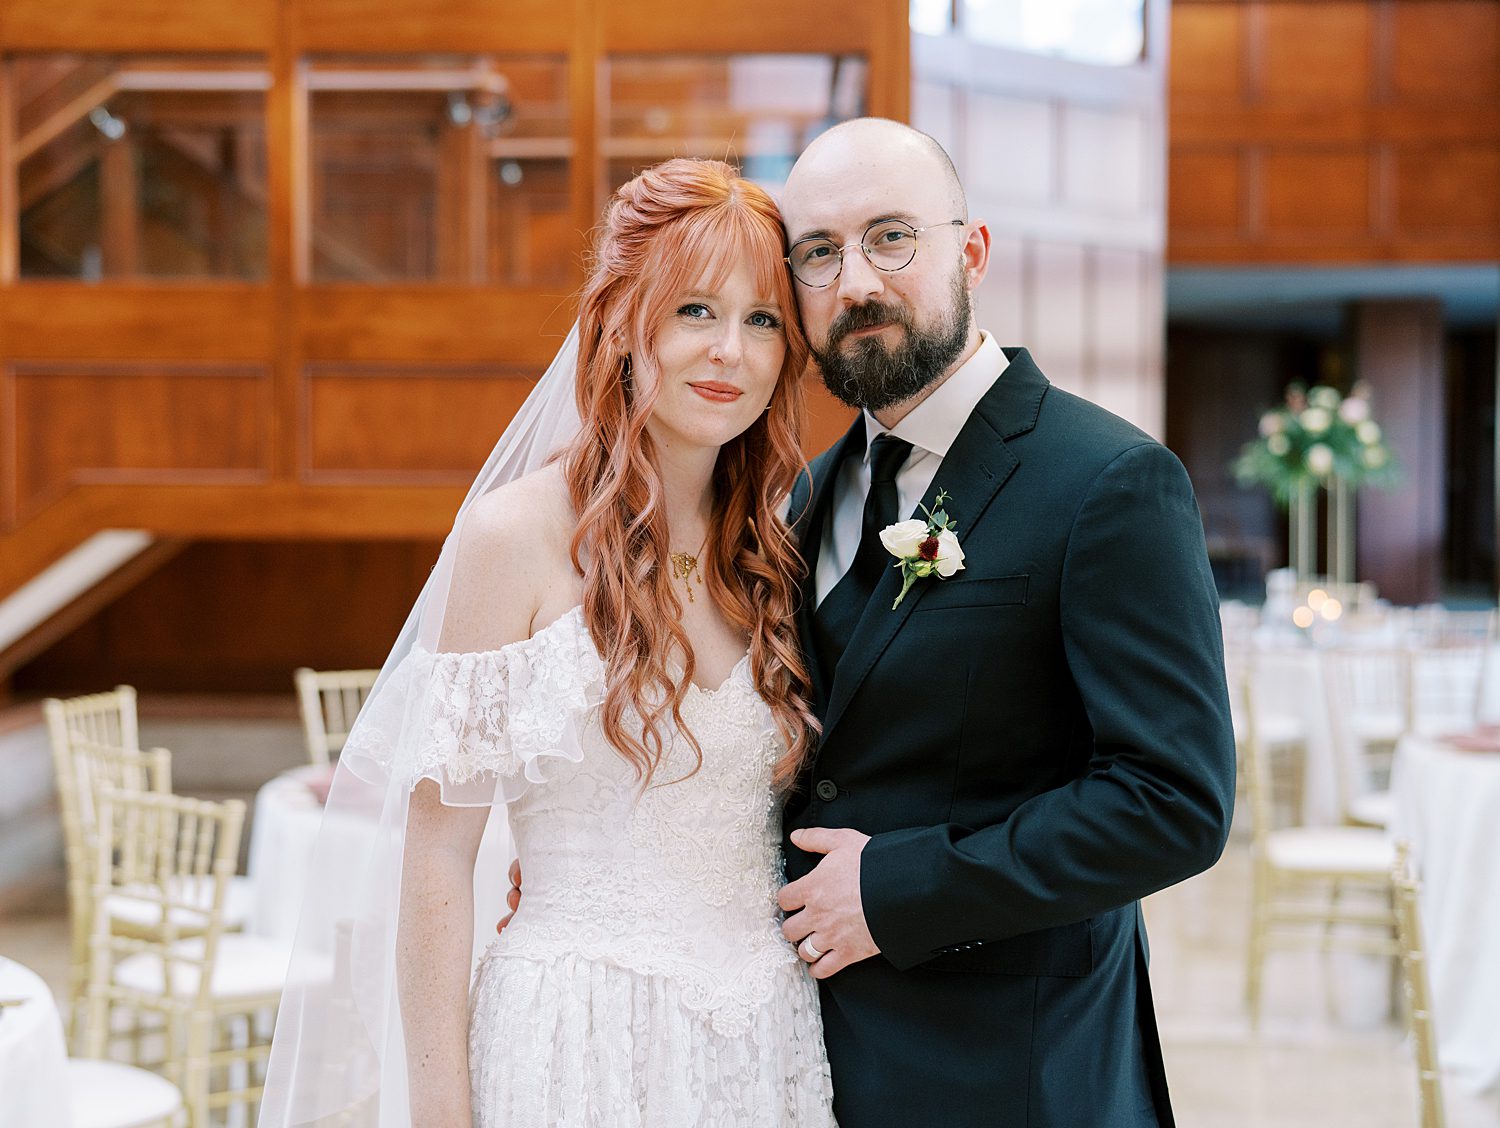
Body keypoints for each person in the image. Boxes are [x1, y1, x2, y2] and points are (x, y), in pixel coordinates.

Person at [258, 158, 837, 1128]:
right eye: (694, 310)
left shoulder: (778, 544)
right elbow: (439, 854)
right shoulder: (513, 538)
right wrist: (440, 1113)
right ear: (620, 321)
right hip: (576, 1038)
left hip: (763, 1038)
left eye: (762, 319)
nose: (728, 351)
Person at [771, 118, 1236, 1126]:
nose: (855, 280)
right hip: (811, 1060)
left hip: (1019, 1069)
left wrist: (904, 890)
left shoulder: (1109, 482)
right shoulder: (803, 499)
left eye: (891, 236)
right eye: (818, 252)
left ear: (970, 251)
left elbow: (1174, 801)